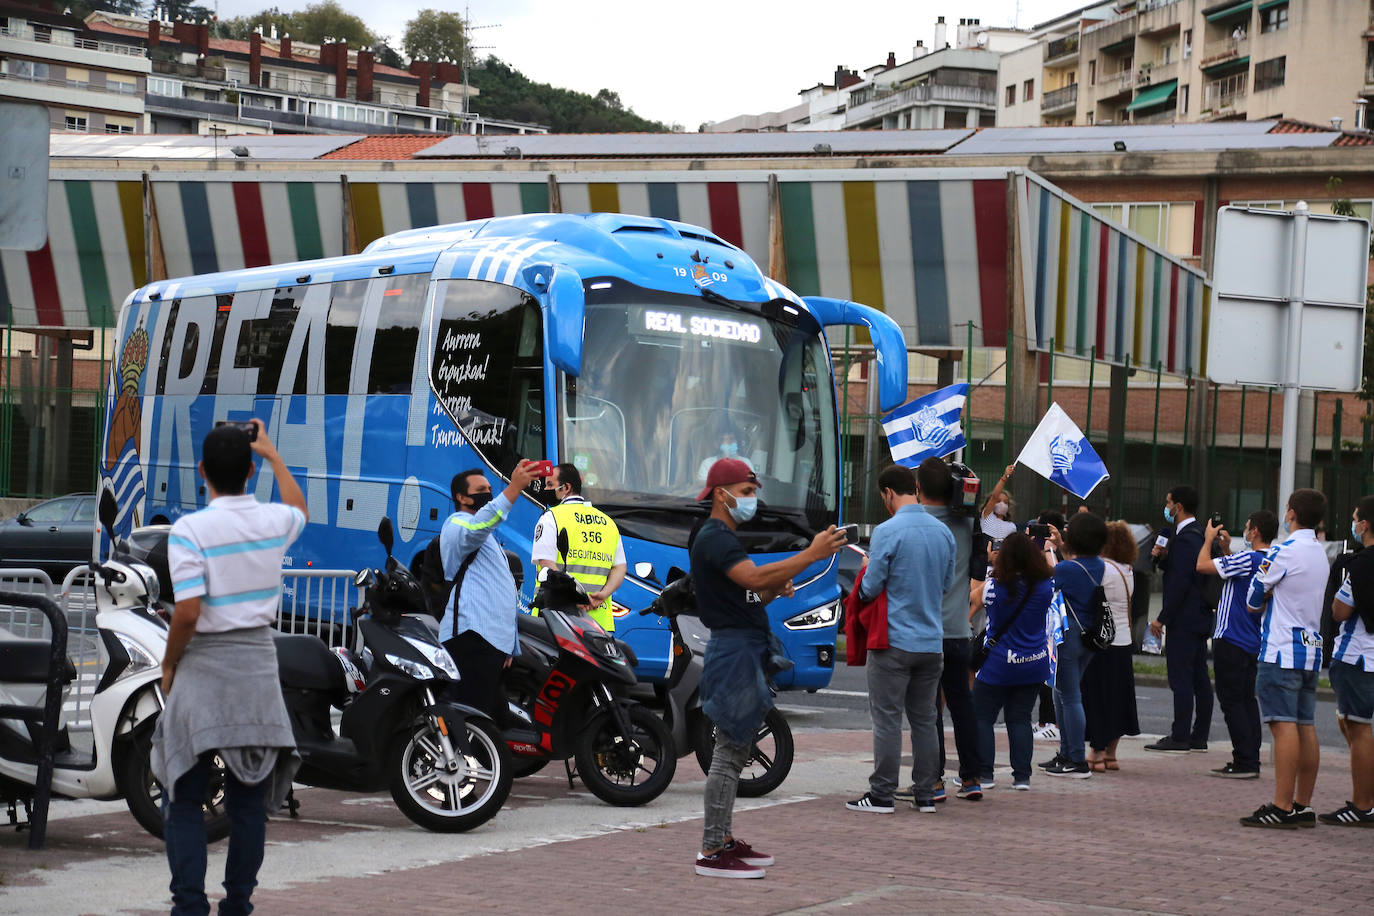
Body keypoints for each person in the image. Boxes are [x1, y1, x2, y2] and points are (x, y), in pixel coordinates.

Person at [154, 419, 305, 916]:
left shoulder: (190, 530)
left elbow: (189, 611)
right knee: (248, 802)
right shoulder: (272, 522)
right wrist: (275, 458)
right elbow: (298, 510)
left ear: (202, 472)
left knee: (185, 794)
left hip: (204, 665)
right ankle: (237, 904)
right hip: (257, 667)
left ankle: (190, 906)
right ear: (249, 471)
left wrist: (169, 663)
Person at [693, 458, 845, 878]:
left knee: (736, 748)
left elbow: (753, 595)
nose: (752, 499)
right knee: (728, 753)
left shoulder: (723, 538)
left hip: (742, 649)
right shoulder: (716, 538)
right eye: (745, 492)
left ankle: (721, 840)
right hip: (734, 653)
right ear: (721, 495)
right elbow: (753, 579)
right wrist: (809, 555)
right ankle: (712, 848)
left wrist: (775, 590)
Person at [846, 464, 955, 813]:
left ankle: (881, 794)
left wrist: (863, 581)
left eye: (883, 498)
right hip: (931, 642)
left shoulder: (887, 531)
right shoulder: (944, 534)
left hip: (892, 640)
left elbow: (871, 586)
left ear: (889, 493)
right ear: (916, 488)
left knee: (888, 719)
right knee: (925, 719)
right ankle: (925, 794)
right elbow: (945, 585)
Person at [1241, 488, 1328, 828]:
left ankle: (1282, 805)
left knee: (1282, 725)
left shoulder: (1283, 551)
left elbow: (1253, 598)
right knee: (1305, 725)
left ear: (1291, 513)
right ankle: (1303, 804)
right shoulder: (1319, 553)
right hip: (1310, 646)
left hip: (1280, 648)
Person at [440, 460, 542, 717]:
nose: (487, 493)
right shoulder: (457, 524)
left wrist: (509, 644)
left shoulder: (485, 536)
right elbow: (479, 527)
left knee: (488, 718)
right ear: (462, 497)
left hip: (491, 643)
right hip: (471, 637)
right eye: (481, 489)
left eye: (489, 488)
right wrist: (514, 488)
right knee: (470, 716)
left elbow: (499, 590)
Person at [912, 458, 982, 802]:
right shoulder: (967, 524)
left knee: (928, 708)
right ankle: (971, 778)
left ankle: (934, 779)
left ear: (918, 489)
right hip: (959, 629)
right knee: (962, 704)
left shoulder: (914, 523)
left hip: (925, 632)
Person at [973, 532, 1055, 791]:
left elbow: (973, 597)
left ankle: (984, 774)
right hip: (1034, 660)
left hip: (998, 664)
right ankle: (1022, 777)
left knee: (983, 717)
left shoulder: (994, 588)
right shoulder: (1045, 586)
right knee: (1020, 719)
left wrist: (986, 560)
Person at [1197, 510, 1275, 779]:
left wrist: (1208, 541)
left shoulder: (1250, 557)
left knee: (1231, 701)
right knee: (1246, 700)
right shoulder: (1266, 561)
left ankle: (1244, 760)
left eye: (1247, 527)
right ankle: (1250, 757)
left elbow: (1203, 566)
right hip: (1251, 639)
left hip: (1231, 637)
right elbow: (1236, 572)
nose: (1245, 531)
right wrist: (1227, 549)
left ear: (1255, 532)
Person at [1145, 485, 1214, 753]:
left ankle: (1181, 735)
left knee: (1182, 678)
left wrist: (1162, 619)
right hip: (1198, 617)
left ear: (1179, 506)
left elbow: (1181, 583)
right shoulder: (1195, 536)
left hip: (1185, 619)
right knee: (1199, 678)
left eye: (1169, 502)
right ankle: (1199, 736)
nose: (1167, 507)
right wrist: (1163, 558)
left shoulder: (1187, 539)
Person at [1042, 511, 1108, 778]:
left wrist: (1048, 550)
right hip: (1088, 638)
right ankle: (1067, 753)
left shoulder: (1067, 568)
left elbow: (1050, 577)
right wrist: (1060, 546)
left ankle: (1076, 758)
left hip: (1068, 638)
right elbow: (1071, 566)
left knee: (1068, 696)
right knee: (1062, 693)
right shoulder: (1099, 565)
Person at [1321, 496, 1374, 825]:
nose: (1353, 524)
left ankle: (1362, 804)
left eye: (1355, 519)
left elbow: (1340, 611)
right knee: (1353, 725)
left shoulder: (1362, 563)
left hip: (1358, 654)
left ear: (1364, 524)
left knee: (1358, 729)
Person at [531, 463, 626, 632]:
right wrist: (602, 595)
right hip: (599, 625)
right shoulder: (608, 523)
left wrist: (575, 599)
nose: (545, 489)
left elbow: (547, 565)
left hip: (557, 620)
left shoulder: (551, 518)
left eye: (550, 485)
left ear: (566, 487)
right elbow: (620, 568)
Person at [1083, 521, 1141, 772]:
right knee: (1119, 697)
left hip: (1103, 642)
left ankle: (1095, 753)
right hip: (1124, 640)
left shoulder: (1103, 569)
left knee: (1098, 697)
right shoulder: (1128, 570)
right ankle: (1111, 754)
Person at [980, 464, 1018, 541]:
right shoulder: (987, 516)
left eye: (1005, 502)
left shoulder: (1012, 527)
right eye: (998, 501)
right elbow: (994, 497)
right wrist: (1005, 476)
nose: (1002, 504)